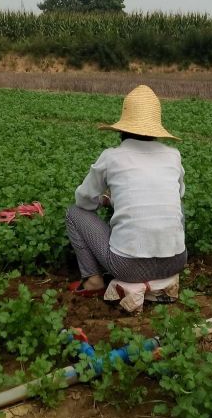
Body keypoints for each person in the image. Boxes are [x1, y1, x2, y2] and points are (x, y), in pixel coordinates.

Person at [65, 85, 186, 296]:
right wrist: (114, 201)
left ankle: (93, 280)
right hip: (176, 262)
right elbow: (179, 195)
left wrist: (103, 200)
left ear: (122, 128)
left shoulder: (112, 156)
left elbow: (83, 200)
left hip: (127, 268)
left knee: (74, 213)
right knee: (177, 204)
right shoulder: (173, 155)